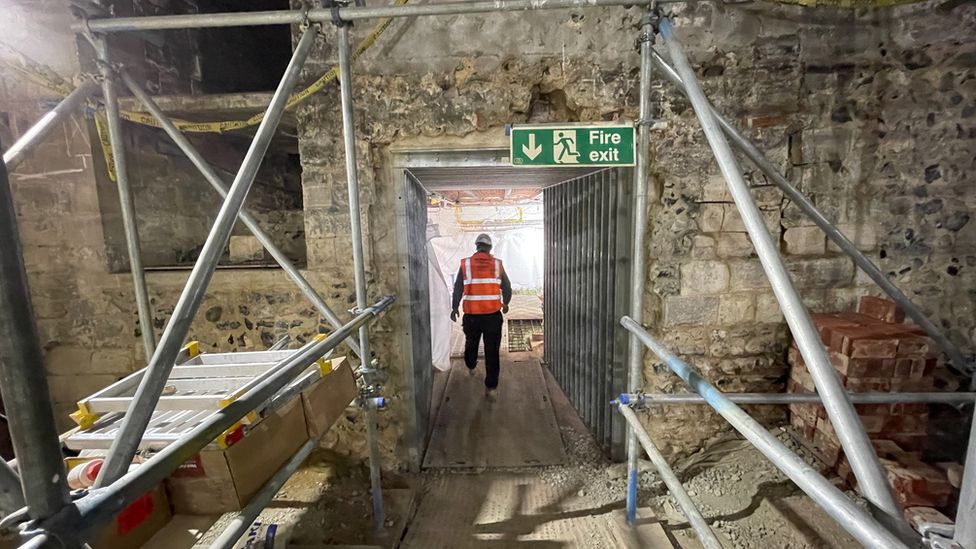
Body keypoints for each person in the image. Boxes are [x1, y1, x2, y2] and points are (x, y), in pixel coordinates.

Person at [450, 233, 512, 400]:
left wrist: (454, 307)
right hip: (492, 316)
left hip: (472, 317)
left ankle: (471, 365)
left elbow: (457, 289)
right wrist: (505, 304)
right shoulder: (497, 264)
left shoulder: (466, 264)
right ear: (490, 248)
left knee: (471, 344)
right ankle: (491, 388)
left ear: (476, 247)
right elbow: (507, 288)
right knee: (492, 352)